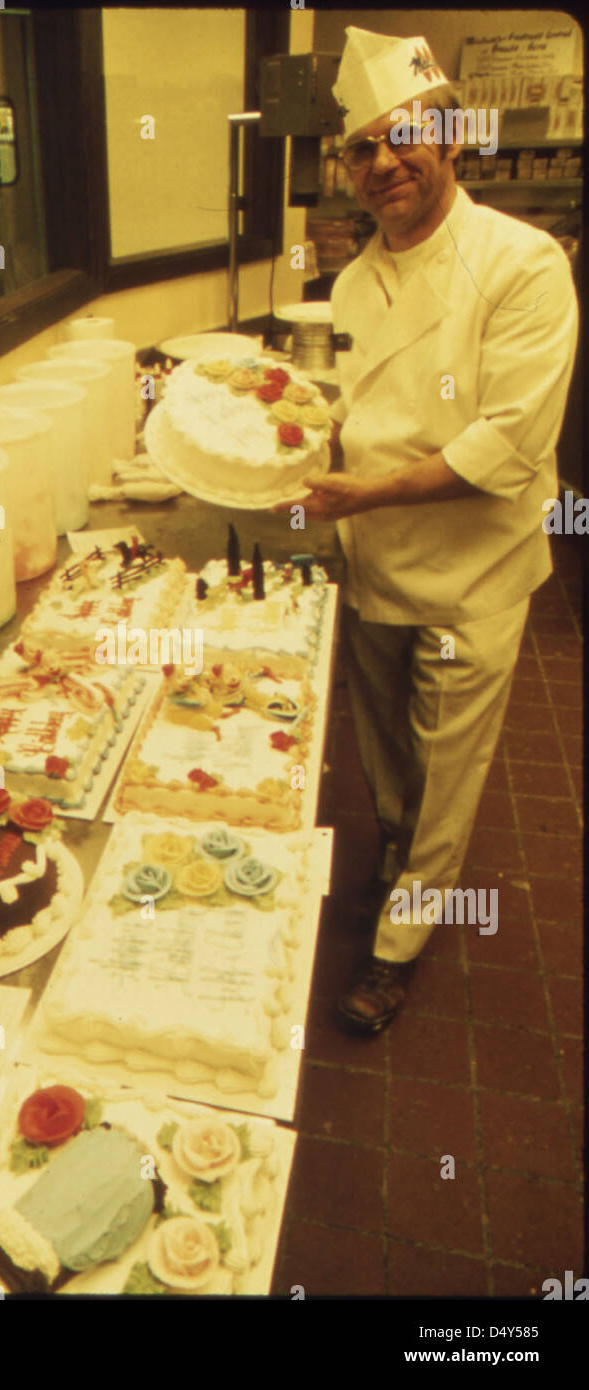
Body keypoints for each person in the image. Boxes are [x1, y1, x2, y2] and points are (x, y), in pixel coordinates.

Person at [281, 27, 578, 1034]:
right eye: (362, 148)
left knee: (447, 767)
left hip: (471, 570)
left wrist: (358, 496)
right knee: (386, 753)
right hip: (372, 566)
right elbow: (348, 413)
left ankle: (398, 943)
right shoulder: (356, 280)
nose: (383, 162)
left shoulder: (523, 264)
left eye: (403, 137)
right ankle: (401, 857)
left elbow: (508, 443)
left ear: (452, 139)